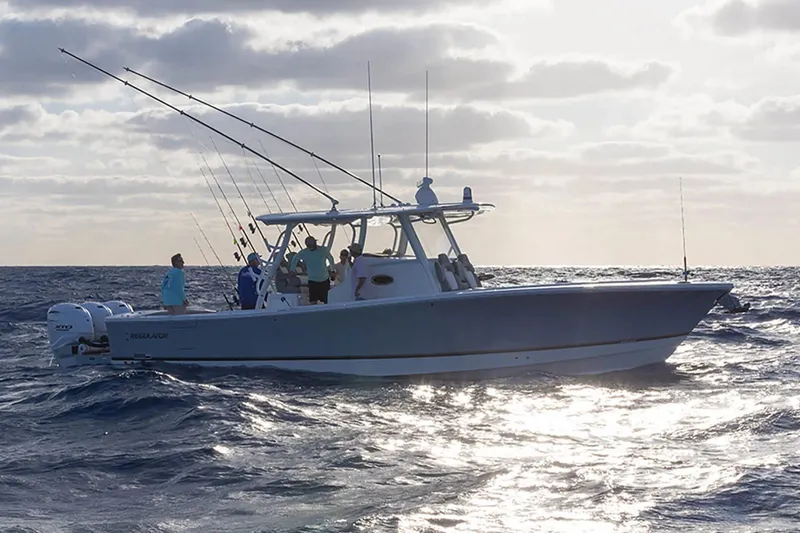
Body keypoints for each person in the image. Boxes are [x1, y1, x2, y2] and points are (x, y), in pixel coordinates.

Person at [290, 236, 335, 304]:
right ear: (307, 245)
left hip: (324, 279)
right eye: (309, 245)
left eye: (313, 243)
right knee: (313, 301)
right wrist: (292, 270)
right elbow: (295, 259)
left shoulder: (323, 250)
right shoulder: (304, 252)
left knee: (326, 300)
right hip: (312, 280)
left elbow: (331, 259)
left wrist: (332, 270)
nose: (312, 245)